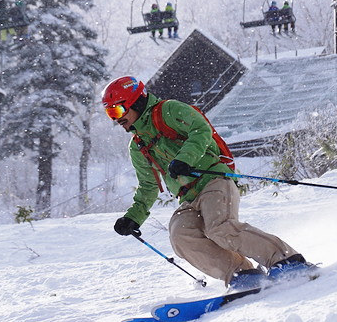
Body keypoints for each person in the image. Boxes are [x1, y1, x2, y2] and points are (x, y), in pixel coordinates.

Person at [102, 76, 309, 290]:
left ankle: (286, 260)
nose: (115, 119)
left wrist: (185, 158)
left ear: (134, 101)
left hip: (213, 180)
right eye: (110, 114)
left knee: (220, 227)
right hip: (189, 197)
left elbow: (201, 129)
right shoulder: (137, 146)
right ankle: (242, 273)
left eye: (116, 111)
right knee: (180, 235)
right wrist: (133, 218)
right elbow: (148, 186)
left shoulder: (168, 111)